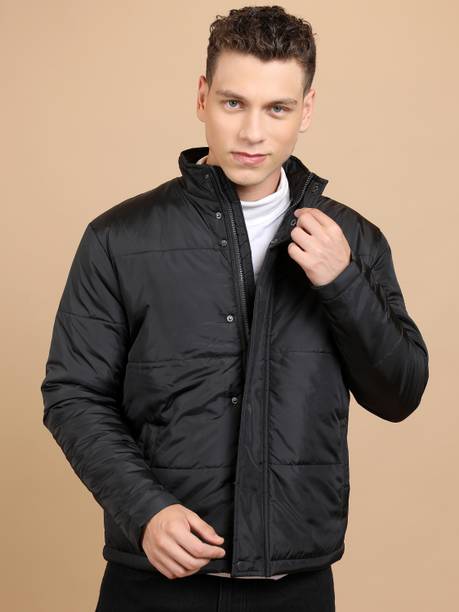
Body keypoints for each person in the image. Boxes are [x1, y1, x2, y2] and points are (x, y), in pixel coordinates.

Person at [40, 5, 429, 611]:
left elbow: (399, 394)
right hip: (153, 581)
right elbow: (73, 394)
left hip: (295, 584)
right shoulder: (118, 238)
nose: (252, 133)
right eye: (233, 103)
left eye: (277, 108)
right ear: (202, 97)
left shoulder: (353, 241)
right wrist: (146, 511)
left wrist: (343, 282)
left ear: (307, 110)